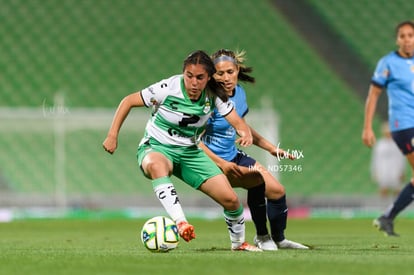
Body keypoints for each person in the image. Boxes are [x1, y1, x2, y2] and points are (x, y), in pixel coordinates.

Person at [103, 50, 261, 251]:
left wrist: (244, 132)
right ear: (184, 74)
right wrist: (112, 135)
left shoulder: (215, 95)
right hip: (157, 146)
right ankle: (180, 222)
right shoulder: (167, 88)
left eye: (200, 77)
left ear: (209, 77)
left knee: (231, 200)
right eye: (189, 76)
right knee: (155, 165)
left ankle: (238, 244)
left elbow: (237, 121)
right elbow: (128, 101)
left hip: (190, 152)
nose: (193, 82)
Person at [199, 49, 308, 250]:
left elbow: (243, 127)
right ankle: (262, 236)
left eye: (230, 72)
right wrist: (221, 163)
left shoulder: (239, 93)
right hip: (211, 162)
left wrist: (270, 148)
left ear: (237, 70)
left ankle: (279, 239)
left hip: (233, 155)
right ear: (212, 75)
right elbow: (195, 140)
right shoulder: (207, 99)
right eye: (219, 73)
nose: (226, 77)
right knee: (255, 181)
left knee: (277, 191)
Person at [362, 20, 414, 237]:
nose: (407, 39)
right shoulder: (388, 63)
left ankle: (387, 217)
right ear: (397, 39)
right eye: (402, 35)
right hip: (403, 125)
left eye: (410, 35)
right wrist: (367, 127)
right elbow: (373, 95)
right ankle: (387, 216)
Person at [371, 122, 406, 199]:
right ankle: (382, 207)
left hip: (395, 169)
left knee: (397, 190)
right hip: (383, 169)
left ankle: (396, 207)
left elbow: (401, 158)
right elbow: (376, 159)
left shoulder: (398, 143)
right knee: (383, 189)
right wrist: (375, 171)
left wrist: (402, 171)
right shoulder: (380, 144)